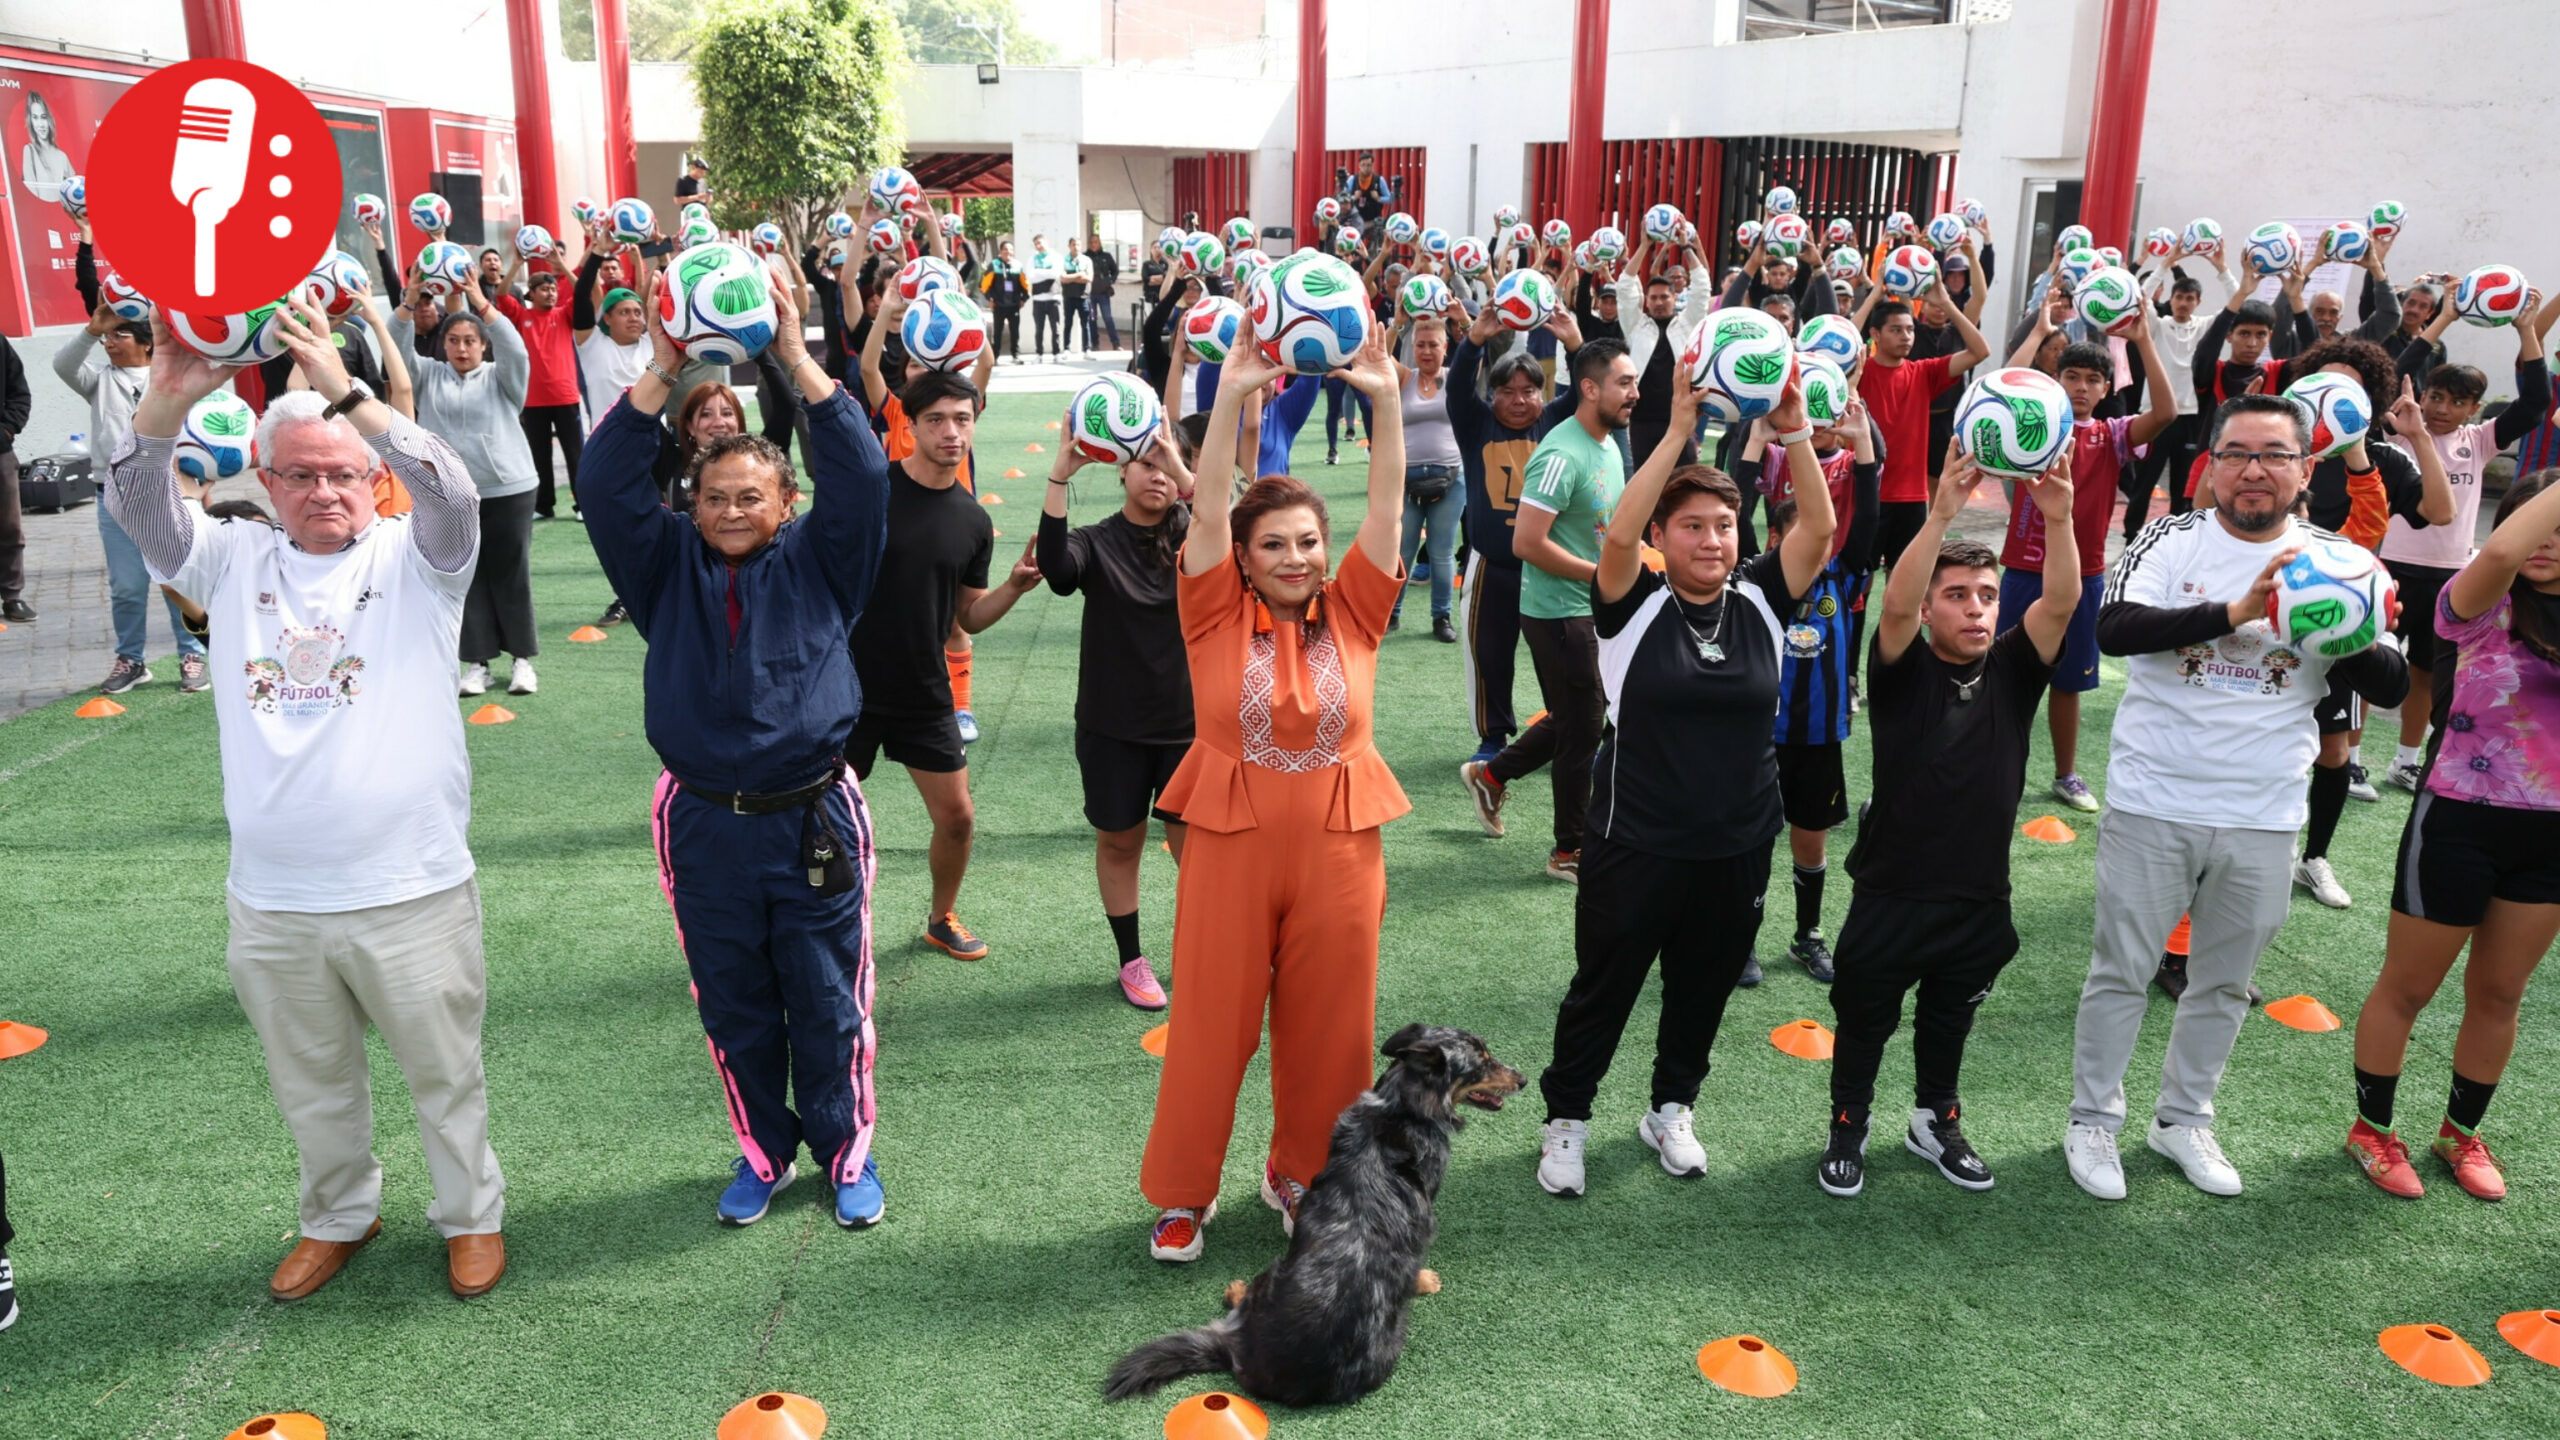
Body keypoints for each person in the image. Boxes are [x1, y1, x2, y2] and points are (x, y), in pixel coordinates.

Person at [108, 294, 507, 1300]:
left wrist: (348, 390)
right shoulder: (232, 558)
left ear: (373, 482)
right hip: (275, 898)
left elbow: (453, 491)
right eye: (302, 476)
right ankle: (338, 1215)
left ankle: (470, 1216)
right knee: (311, 1085)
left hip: (409, 886)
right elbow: (140, 510)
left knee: (444, 1078)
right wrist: (164, 399)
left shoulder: (418, 560)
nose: (325, 492)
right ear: (267, 482)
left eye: (344, 475)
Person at [580, 267, 898, 1230]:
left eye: (750, 495)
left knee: (827, 997)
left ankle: (846, 1155)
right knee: (735, 1001)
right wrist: (668, 364)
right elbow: (601, 480)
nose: (729, 510)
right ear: (693, 500)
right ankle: (763, 1150)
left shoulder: (823, 560)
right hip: (704, 823)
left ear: (785, 499)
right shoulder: (663, 563)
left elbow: (865, 474)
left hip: (812, 816)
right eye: (714, 495)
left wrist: (793, 355)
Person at [2064, 393, 2411, 1202]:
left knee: (2223, 982)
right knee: (2123, 970)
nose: (2254, 470)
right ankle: (2093, 1120)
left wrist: (2336, 630)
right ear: (2210, 466)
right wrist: (2237, 610)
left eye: (2275, 455)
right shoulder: (2168, 536)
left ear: (2306, 471)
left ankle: (2183, 1118)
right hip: (2157, 795)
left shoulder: (2343, 562)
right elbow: (2113, 627)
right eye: (2237, 454)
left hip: (2265, 809)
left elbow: (2390, 681)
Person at [1136, 326, 1412, 1264]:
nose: (1295, 557)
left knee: (1334, 1031)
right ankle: (1182, 1194)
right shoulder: (1211, 608)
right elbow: (1206, 509)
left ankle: (1302, 1177)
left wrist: (1382, 398)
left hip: (1342, 847)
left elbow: (1388, 505)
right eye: (1274, 546)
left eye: (1307, 543)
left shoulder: (1359, 609)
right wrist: (1230, 397)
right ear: (1243, 559)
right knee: (1211, 1025)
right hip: (1229, 844)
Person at [1533, 369, 1837, 1198]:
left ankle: (1671, 1107)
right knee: (1605, 987)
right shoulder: (1632, 605)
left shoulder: (1766, 603)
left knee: (1702, 989)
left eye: (1725, 525)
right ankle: (1567, 1121)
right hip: (1634, 840)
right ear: (1666, 535)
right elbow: (1617, 540)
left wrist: (1797, 430)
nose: (1712, 540)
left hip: (1736, 843)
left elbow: (1820, 525)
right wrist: (1674, 434)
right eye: (1693, 527)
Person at [1817, 441, 2082, 1198]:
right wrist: (1937, 514)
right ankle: (1849, 1123)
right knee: (1866, 1020)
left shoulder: (2013, 668)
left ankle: (1936, 1120)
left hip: (1977, 896)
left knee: (1947, 1021)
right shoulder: (1901, 668)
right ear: (1931, 607)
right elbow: (1893, 604)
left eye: (1986, 596)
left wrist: (2057, 521)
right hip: (1894, 891)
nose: (1975, 607)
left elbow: (2059, 603)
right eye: (1958, 594)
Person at [2345, 470, 2560, 1203]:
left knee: (2500, 992)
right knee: (2410, 987)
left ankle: (2459, 1134)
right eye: (2535, 522)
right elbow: (2498, 556)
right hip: (2458, 818)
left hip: (2551, 837)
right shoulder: (2473, 602)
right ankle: (2372, 1130)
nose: (2545, 540)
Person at [843, 366, 1039, 963]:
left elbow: (969, 618)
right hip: (845, 689)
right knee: (819, 824)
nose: (951, 432)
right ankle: (819, 923)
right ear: (912, 424)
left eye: (962, 420)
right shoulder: (869, 491)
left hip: (923, 691)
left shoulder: (973, 520)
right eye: (937, 420)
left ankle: (939, 917)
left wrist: (1013, 587)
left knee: (957, 818)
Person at [1458, 340, 1636, 882]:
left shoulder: (1604, 441)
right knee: (1584, 730)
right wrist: (1602, 576)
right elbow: (1527, 544)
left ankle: (1491, 777)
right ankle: (1570, 851)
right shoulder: (1560, 454)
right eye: (1624, 383)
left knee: (1578, 718)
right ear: (1589, 389)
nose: (1634, 392)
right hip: (1560, 612)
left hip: (1590, 606)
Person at [1038, 420, 1201, 1011]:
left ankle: (1210, 955)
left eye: (1169, 463)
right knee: (1120, 843)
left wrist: (1186, 476)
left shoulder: (1195, 534)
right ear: (1121, 469)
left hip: (1188, 729)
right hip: (1112, 729)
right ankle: (1132, 960)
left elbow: (1236, 533)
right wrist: (1059, 474)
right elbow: (1057, 573)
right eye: (1146, 462)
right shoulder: (1094, 539)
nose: (1158, 473)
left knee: (1198, 854)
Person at [2284, 343, 2452, 904]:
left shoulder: (2382, 460)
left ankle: (2314, 858)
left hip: (2343, 623)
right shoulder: (2280, 451)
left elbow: (2441, 512)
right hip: (2272, 617)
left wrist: (2418, 436)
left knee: (2333, 752)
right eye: (2322, 384)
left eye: (2348, 390)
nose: (2331, 399)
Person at [1999, 311, 2179, 814]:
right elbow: (2004, 388)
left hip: (2083, 575)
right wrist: (2036, 332)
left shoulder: (2112, 434)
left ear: (2105, 388)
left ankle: (2066, 773)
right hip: (2022, 570)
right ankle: (1998, 764)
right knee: (2009, 674)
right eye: (2071, 376)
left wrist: (2142, 340)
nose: (2081, 386)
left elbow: (2165, 413)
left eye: (2092, 379)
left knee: (2069, 680)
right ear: (2056, 380)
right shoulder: (2033, 424)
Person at [2378, 292, 2551, 793]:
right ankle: (2352, 759)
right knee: (2373, 664)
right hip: (2389, 564)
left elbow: (2537, 403)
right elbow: (2394, 373)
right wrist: (2444, 316)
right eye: (2436, 396)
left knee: (2426, 674)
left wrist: (2526, 330)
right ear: (2422, 395)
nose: (2443, 408)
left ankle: (2407, 759)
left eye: (2458, 402)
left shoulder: (2478, 440)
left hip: (2448, 573)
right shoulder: (2399, 432)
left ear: (2475, 409)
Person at [1746, 394, 1882, 984]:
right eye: (1796, 533)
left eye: (1819, 535)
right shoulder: (1752, 580)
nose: (1812, 544)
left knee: (1810, 839)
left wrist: (1864, 447)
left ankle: (1807, 935)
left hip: (1819, 733)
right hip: (1757, 736)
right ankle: (1739, 940)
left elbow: (1869, 518)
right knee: (1749, 840)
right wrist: (1754, 441)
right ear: (1774, 540)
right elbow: (1736, 493)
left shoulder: (1843, 576)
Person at [391, 271, 542, 698]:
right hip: (450, 495)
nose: (461, 348)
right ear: (442, 345)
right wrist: (407, 302)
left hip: (508, 487)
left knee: (511, 575)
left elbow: (515, 347)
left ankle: (521, 662)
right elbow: (395, 347)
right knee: (463, 576)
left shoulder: (503, 378)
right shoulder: (426, 376)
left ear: (483, 345)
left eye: (470, 341)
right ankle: (477, 664)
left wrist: (479, 300)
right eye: (453, 340)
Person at [54, 300, 210, 693]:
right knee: (126, 585)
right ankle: (132, 660)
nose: (109, 341)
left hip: (167, 494)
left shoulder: (170, 380)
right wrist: (91, 330)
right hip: (114, 496)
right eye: (106, 336)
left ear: (146, 344)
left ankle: (192, 654)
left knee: (178, 576)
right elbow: (62, 366)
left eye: (118, 334)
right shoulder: (99, 380)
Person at [1448, 311, 1581, 766]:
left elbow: (1586, 391)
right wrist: (1474, 340)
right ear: (1493, 395)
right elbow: (1457, 388)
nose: (1520, 400)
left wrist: (1576, 346)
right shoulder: (1476, 424)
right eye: (1507, 391)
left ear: (1543, 395)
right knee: (1489, 653)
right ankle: (1494, 735)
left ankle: (1562, 726)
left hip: (1546, 563)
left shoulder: (1558, 423)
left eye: (1529, 390)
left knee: (1559, 655)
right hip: (1492, 563)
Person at [1850, 291, 1990, 569]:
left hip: (1913, 498)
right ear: (1875, 334)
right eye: (1896, 330)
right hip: (1867, 495)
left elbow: (1980, 351)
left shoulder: (1924, 373)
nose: (1906, 336)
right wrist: (1874, 295)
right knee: (1858, 583)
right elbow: (1844, 341)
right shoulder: (1859, 373)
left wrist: (1947, 302)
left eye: (1911, 330)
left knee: (1902, 583)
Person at [1387, 313, 1466, 641]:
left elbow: (1477, 352)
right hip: (1406, 480)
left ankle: (1441, 618)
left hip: (1451, 478)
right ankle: (1390, 614)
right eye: (1420, 345)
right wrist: (1398, 323)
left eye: (1434, 344)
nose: (1427, 350)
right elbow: (1377, 354)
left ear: (1445, 347)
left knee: (1442, 551)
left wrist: (1465, 322)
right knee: (1402, 551)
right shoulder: (1404, 378)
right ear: (1413, 348)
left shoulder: (1455, 378)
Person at [2123, 263, 2213, 541]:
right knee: (2144, 481)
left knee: (2181, 485)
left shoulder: (2204, 327)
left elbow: (2237, 303)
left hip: (2189, 418)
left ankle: (2176, 539)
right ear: (2170, 299)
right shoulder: (2158, 326)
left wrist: (2221, 267)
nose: (2183, 303)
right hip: (2155, 416)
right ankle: (2131, 536)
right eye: (2179, 297)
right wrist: (2166, 262)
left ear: (2197, 303)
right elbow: (2141, 297)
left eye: (2189, 299)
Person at [1612, 236, 1712, 470]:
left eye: (1664, 297)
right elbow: (1625, 285)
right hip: (1639, 421)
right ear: (1646, 301)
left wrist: (1686, 246)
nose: (1659, 302)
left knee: (1683, 482)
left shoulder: (1689, 324)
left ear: (1675, 297)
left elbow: (1701, 287)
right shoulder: (1635, 325)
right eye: (1653, 297)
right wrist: (1645, 245)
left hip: (1679, 421)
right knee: (1640, 484)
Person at [493, 257, 582, 520]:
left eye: (553, 288)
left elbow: (582, 288)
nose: (550, 293)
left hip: (566, 396)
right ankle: (544, 505)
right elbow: (501, 293)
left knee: (575, 454)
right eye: (544, 289)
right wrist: (517, 264)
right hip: (533, 399)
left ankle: (582, 505)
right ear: (531, 293)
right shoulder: (522, 315)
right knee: (539, 455)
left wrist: (562, 267)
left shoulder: (564, 313)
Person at [0, 331, 26, 623]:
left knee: (8, 527)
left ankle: (12, 596)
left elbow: (20, 392)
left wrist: (6, 430)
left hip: (0, 453)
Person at [17, 91, 72, 200]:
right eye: (35, 117)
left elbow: (77, 194)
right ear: (31, 121)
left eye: (43, 117)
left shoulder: (62, 156)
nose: (40, 124)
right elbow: (31, 195)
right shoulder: (29, 151)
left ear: (49, 120)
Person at [981, 240, 1027, 362]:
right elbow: (985, 285)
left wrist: (1023, 299)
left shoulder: (1017, 265)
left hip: (1014, 305)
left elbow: (1025, 285)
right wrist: (989, 299)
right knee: (997, 332)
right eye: (1005, 249)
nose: (1008, 252)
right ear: (1001, 251)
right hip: (999, 305)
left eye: (1010, 249)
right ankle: (994, 357)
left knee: (1015, 331)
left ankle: (1015, 355)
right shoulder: (994, 265)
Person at [1084, 232, 1122, 350]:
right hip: (1091, 293)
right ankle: (1095, 344)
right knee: (1092, 319)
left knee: (1108, 318)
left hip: (1104, 293)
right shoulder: (1085, 257)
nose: (1093, 244)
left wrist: (1110, 281)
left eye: (1096, 242)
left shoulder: (1107, 256)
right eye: (1091, 242)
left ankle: (1116, 343)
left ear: (1099, 243)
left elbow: (1115, 271)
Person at [1028, 235, 1063, 360]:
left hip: (1054, 297)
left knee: (1056, 328)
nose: (1038, 245)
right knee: (1039, 329)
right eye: (1036, 244)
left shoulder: (1056, 257)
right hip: (1038, 299)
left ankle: (1056, 353)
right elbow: (1031, 276)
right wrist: (1046, 273)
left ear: (1046, 242)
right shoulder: (1033, 259)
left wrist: (1039, 271)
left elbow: (1056, 273)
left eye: (1040, 242)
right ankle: (1039, 354)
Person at [1060, 243, 1092, 355]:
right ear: (1069, 246)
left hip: (1083, 296)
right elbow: (1063, 278)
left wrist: (1071, 277)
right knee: (1068, 323)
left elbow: (1089, 278)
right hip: (1068, 296)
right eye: (1073, 245)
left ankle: (1087, 349)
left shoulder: (1086, 260)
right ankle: (1066, 348)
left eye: (1078, 245)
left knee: (1085, 323)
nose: (1076, 247)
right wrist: (1079, 275)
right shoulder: (1063, 260)